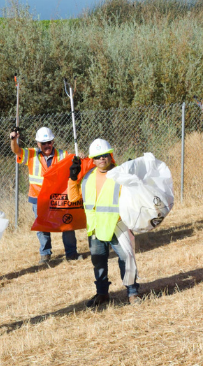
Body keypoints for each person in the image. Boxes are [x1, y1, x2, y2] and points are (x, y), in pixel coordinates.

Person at [67, 139, 141, 306]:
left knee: (126, 258)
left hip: (118, 226)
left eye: (105, 155)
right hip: (96, 228)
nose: (102, 159)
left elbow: (134, 196)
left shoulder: (120, 174)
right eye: (98, 156)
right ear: (92, 159)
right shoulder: (86, 179)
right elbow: (73, 198)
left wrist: (132, 177)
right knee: (98, 262)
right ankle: (102, 294)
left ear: (110, 156)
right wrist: (72, 178)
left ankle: (132, 292)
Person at [11, 126, 77, 263]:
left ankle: (71, 253)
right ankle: (45, 254)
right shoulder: (31, 154)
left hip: (58, 197)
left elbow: (75, 161)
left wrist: (80, 156)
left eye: (50, 142)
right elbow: (16, 150)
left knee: (67, 223)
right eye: (44, 143)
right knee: (42, 227)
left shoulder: (62, 154)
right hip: (38, 197)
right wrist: (14, 139)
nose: (47, 146)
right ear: (38, 144)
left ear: (53, 142)